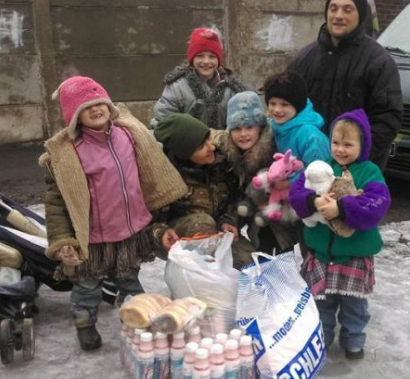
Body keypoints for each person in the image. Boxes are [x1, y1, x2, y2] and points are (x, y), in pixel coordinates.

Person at [40, 76, 187, 351]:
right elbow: (57, 203)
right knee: (87, 286)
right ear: (74, 117)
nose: (96, 110)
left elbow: (150, 172)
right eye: (87, 107)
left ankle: (138, 319)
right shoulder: (67, 154)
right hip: (93, 236)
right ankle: (85, 325)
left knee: (130, 279)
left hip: (128, 230)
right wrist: (62, 240)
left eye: (100, 104)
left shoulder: (129, 134)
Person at [289, 109, 391, 360]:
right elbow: (296, 192)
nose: (340, 149)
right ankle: (321, 338)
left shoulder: (369, 172)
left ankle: (353, 339)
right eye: (336, 143)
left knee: (354, 306)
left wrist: (342, 208)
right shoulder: (321, 168)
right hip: (322, 253)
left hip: (353, 254)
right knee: (321, 303)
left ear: (362, 144)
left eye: (348, 144)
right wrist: (313, 201)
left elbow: (378, 202)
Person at [288, 0, 402, 170]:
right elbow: (288, 111)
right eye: (333, 9)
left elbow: (387, 119)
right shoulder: (303, 59)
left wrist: (358, 159)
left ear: (360, 16)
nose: (339, 15)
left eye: (347, 9)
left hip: (357, 170)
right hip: (309, 168)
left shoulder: (378, 62)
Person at [152, 113, 255, 268]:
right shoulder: (164, 178)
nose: (211, 147)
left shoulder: (223, 163)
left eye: (208, 138)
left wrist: (229, 220)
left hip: (219, 233)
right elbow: (145, 223)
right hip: (180, 241)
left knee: (251, 263)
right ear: (184, 154)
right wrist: (160, 233)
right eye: (201, 146)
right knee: (202, 224)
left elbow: (236, 199)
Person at [215, 90, 297, 255]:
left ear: (259, 128)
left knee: (280, 263)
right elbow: (234, 195)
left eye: (249, 127)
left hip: (280, 219)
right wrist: (230, 220)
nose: (243, 134)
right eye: (237, 129)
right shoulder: (230, 155)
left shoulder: (274, 150)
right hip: (255, 223)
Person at [151, 28, 246, 130]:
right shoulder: (176, 87)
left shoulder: (232, 89)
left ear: (218, 60)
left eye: (212, 57)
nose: (206, 61)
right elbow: (164, 120)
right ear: (192, 59)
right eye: (200, 56)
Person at [265, 70, 330, 175]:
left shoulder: (310, 137)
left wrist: (288, 182)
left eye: (284, 104)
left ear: (298, 106)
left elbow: (321, 174)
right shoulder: (270, 127)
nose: (276, 109)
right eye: (272, 103)